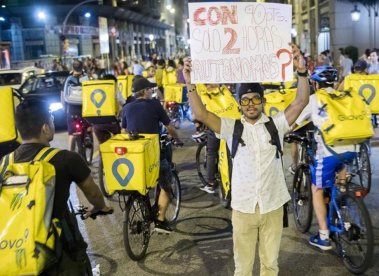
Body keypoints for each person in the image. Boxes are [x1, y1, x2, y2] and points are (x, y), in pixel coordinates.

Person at [183, 43, 309, 275]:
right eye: (245, 100)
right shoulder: (231, 127)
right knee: (242, 267)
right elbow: (201, 114)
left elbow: (301, 102)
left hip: (273, 205)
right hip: (243, 208)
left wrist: (301, 71)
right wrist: (189, 82)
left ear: (263, 101)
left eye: (255, 99)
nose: (250, 104)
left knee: (270, 265)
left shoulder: (276, 124)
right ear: (239, 104)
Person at [11, 99, 113, 274]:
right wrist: (100, 207)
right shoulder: (66, 159)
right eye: (51, 120)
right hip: (60, 250)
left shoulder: (6, 162)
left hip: (16, 247)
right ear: (45, 128)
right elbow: (93, 193)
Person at [295, 67, 357, 250]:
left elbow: (297, 120)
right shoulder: (343, 96)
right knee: (340, 185)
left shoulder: (315, 99)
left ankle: (323, 235)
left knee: (316, 189)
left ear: (315, 83)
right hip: (352, 148)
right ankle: (345, 215)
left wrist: (287, 133)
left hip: (329, 152)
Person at [121, 77, 183, 233]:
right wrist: (178, 139)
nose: (152, 92)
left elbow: (123, 132)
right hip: (153, 154)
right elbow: (169, 127)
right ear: (145, 91)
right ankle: (160, 221)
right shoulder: (154, 105)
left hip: (134, 155)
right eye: (150, 90)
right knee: (165, 186)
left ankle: (138, 202)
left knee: (142, 184)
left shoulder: (127, 108)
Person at [62, 60, 90, 151]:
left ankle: (70, 155)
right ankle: (88, 137)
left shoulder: (68, 79)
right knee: (89, 127)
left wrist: (64, 109)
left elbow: (63, 95)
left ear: (72, 68)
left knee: (71, 134)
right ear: (82, 68)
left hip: (72, 109)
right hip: (85, 109)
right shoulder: (86, 78)